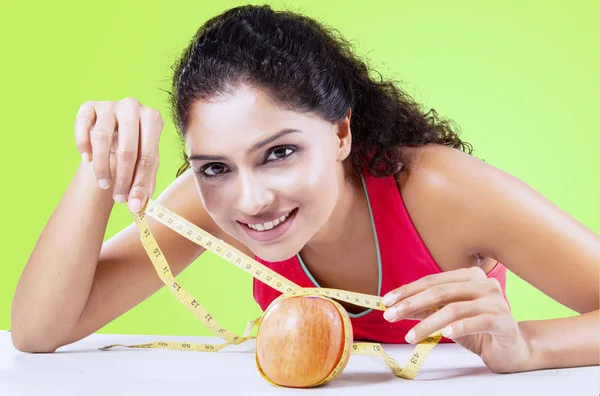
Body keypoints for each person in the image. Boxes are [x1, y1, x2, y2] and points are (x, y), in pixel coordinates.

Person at [10, 4, 598, 375]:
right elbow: (39, 332)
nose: (251, 201)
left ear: (341, 131)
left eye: (280, 153)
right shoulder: (213, 200)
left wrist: (529, 348)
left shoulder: (442, 191)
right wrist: (99, 163)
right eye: (213, 166)